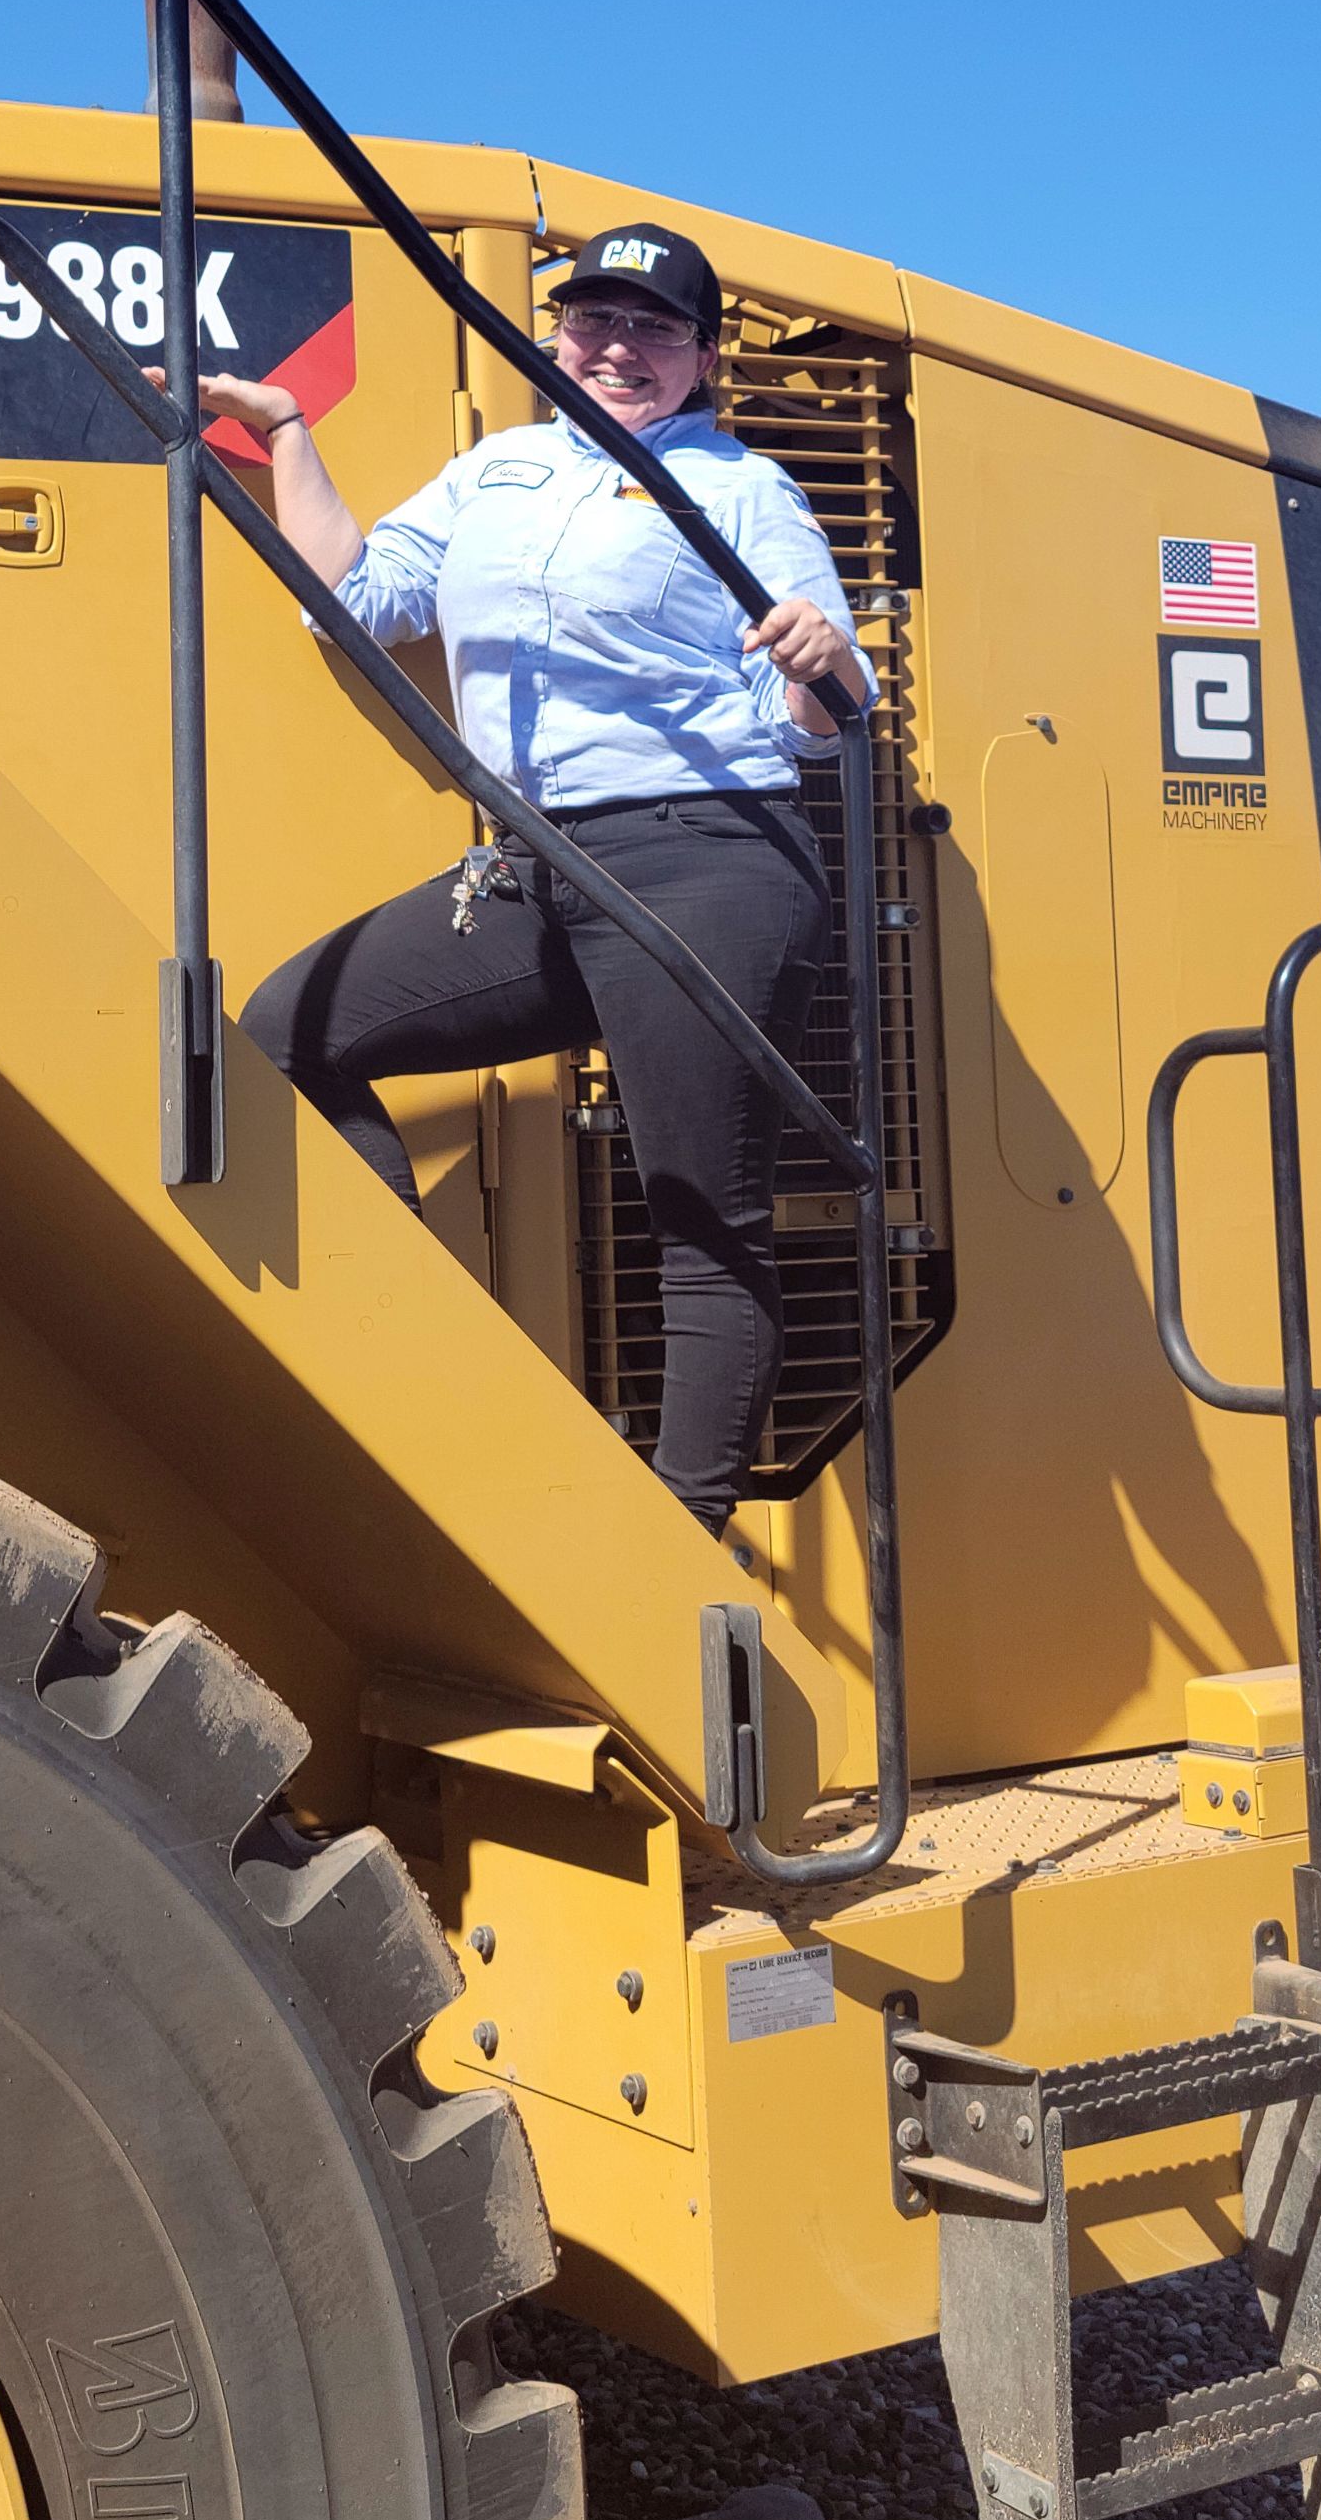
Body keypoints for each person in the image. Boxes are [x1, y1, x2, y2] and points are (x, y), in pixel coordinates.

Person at [202, 222, 870, 1536]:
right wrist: (288, 433)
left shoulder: (743, 491)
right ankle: (432, 1357)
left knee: (700, 1212)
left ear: (705, 356)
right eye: (593, 322)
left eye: (655, 328)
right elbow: (362, 595)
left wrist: (813, 655)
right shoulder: (497, 470)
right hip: (537, 863)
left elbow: (831, 705)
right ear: (555, 336)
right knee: (286, 1031)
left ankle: (677, 1549)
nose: (617, 347)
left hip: (707, 860)